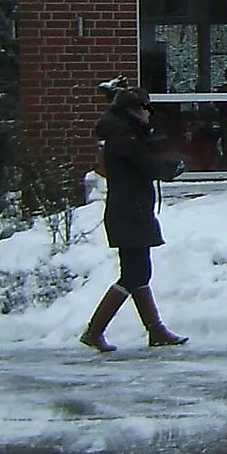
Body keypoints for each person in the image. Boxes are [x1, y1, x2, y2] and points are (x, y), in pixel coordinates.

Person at [80, 85, 189, 351]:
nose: (149, 115)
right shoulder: (123, 136)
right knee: (135, 274)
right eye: (146, 109)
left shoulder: (124, 133)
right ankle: (96, 331)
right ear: (134, 111)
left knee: (137, 273)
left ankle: (155, 330)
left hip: (130, 209)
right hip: (129, 211)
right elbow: (145, 164)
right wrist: (170, 168)